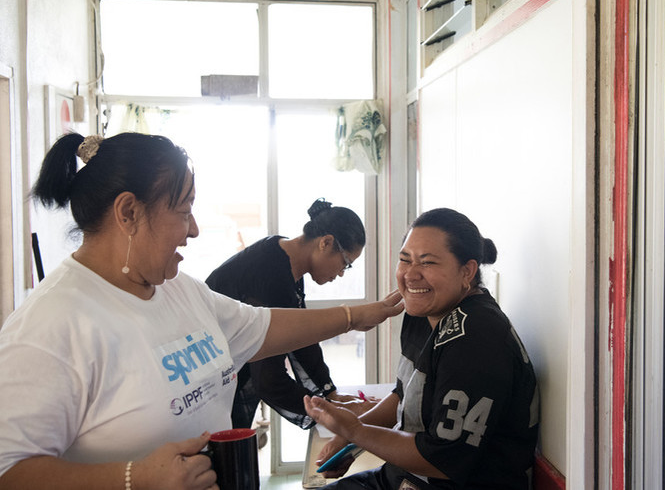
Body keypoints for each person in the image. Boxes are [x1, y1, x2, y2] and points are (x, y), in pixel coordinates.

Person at [0, 132, 403, 490]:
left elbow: (262, 327)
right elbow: (8, 471)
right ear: (128, 213)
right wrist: (134, 478)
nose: (193, 230)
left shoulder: (178, 289)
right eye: (183, 210)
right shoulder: (50, 325)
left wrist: (355, 317)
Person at [304, 208, 540, 489]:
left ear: (467, 271)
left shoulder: (477, 339)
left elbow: (441, 459)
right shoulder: (421, 311)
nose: (410, 275)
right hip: (402, 477)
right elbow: (405, 394)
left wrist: (355, 430)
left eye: (427, 263)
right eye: (405, 260)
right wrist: (349, 441)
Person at [205, 198, 376, 431]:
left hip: (228, 373)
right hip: (208, 382)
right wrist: (326, 411)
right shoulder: (269, 271)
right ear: (326, 243)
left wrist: (330, 394)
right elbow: (268, 379)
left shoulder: (285, 260)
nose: (341, 274)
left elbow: (301, 337)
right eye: (345, 263)